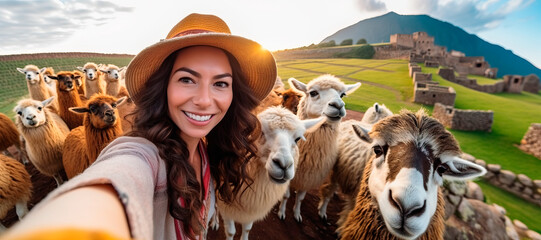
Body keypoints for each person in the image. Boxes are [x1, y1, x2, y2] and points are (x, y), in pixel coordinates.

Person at [2, 13, 277, 240]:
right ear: (164, 86)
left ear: (233, 95)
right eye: (186, 79)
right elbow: (118, 180)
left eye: (220, 83)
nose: (204, 100)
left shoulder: (205, 152)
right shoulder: (141, 155)